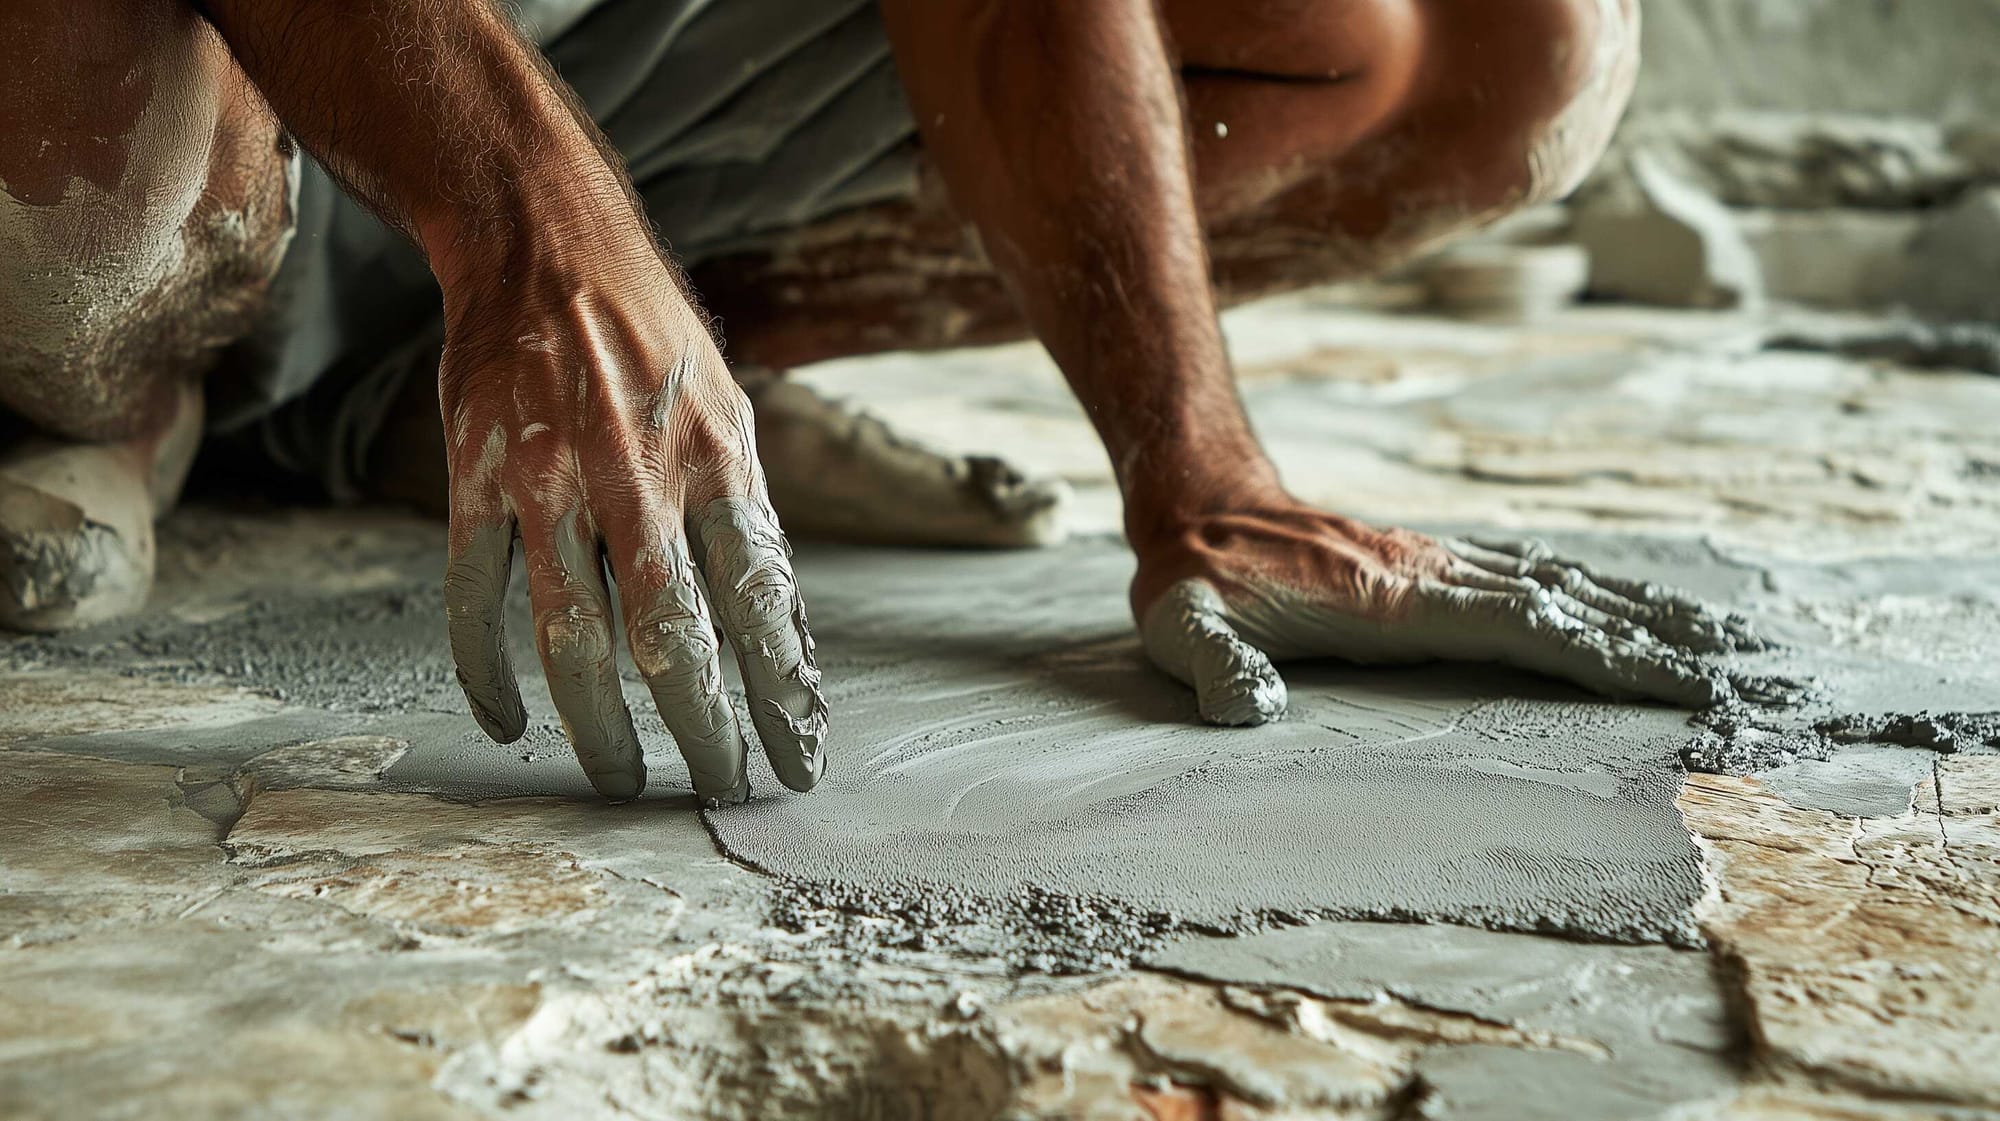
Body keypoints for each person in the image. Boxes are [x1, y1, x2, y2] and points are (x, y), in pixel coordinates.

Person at [0, 0, 1755, 805]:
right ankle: (134, 393)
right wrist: (531, 222)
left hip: (582, 62)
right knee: (86, 117)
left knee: (1511, 49)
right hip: (224, 60)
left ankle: (462, 378)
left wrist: (1196, 465)